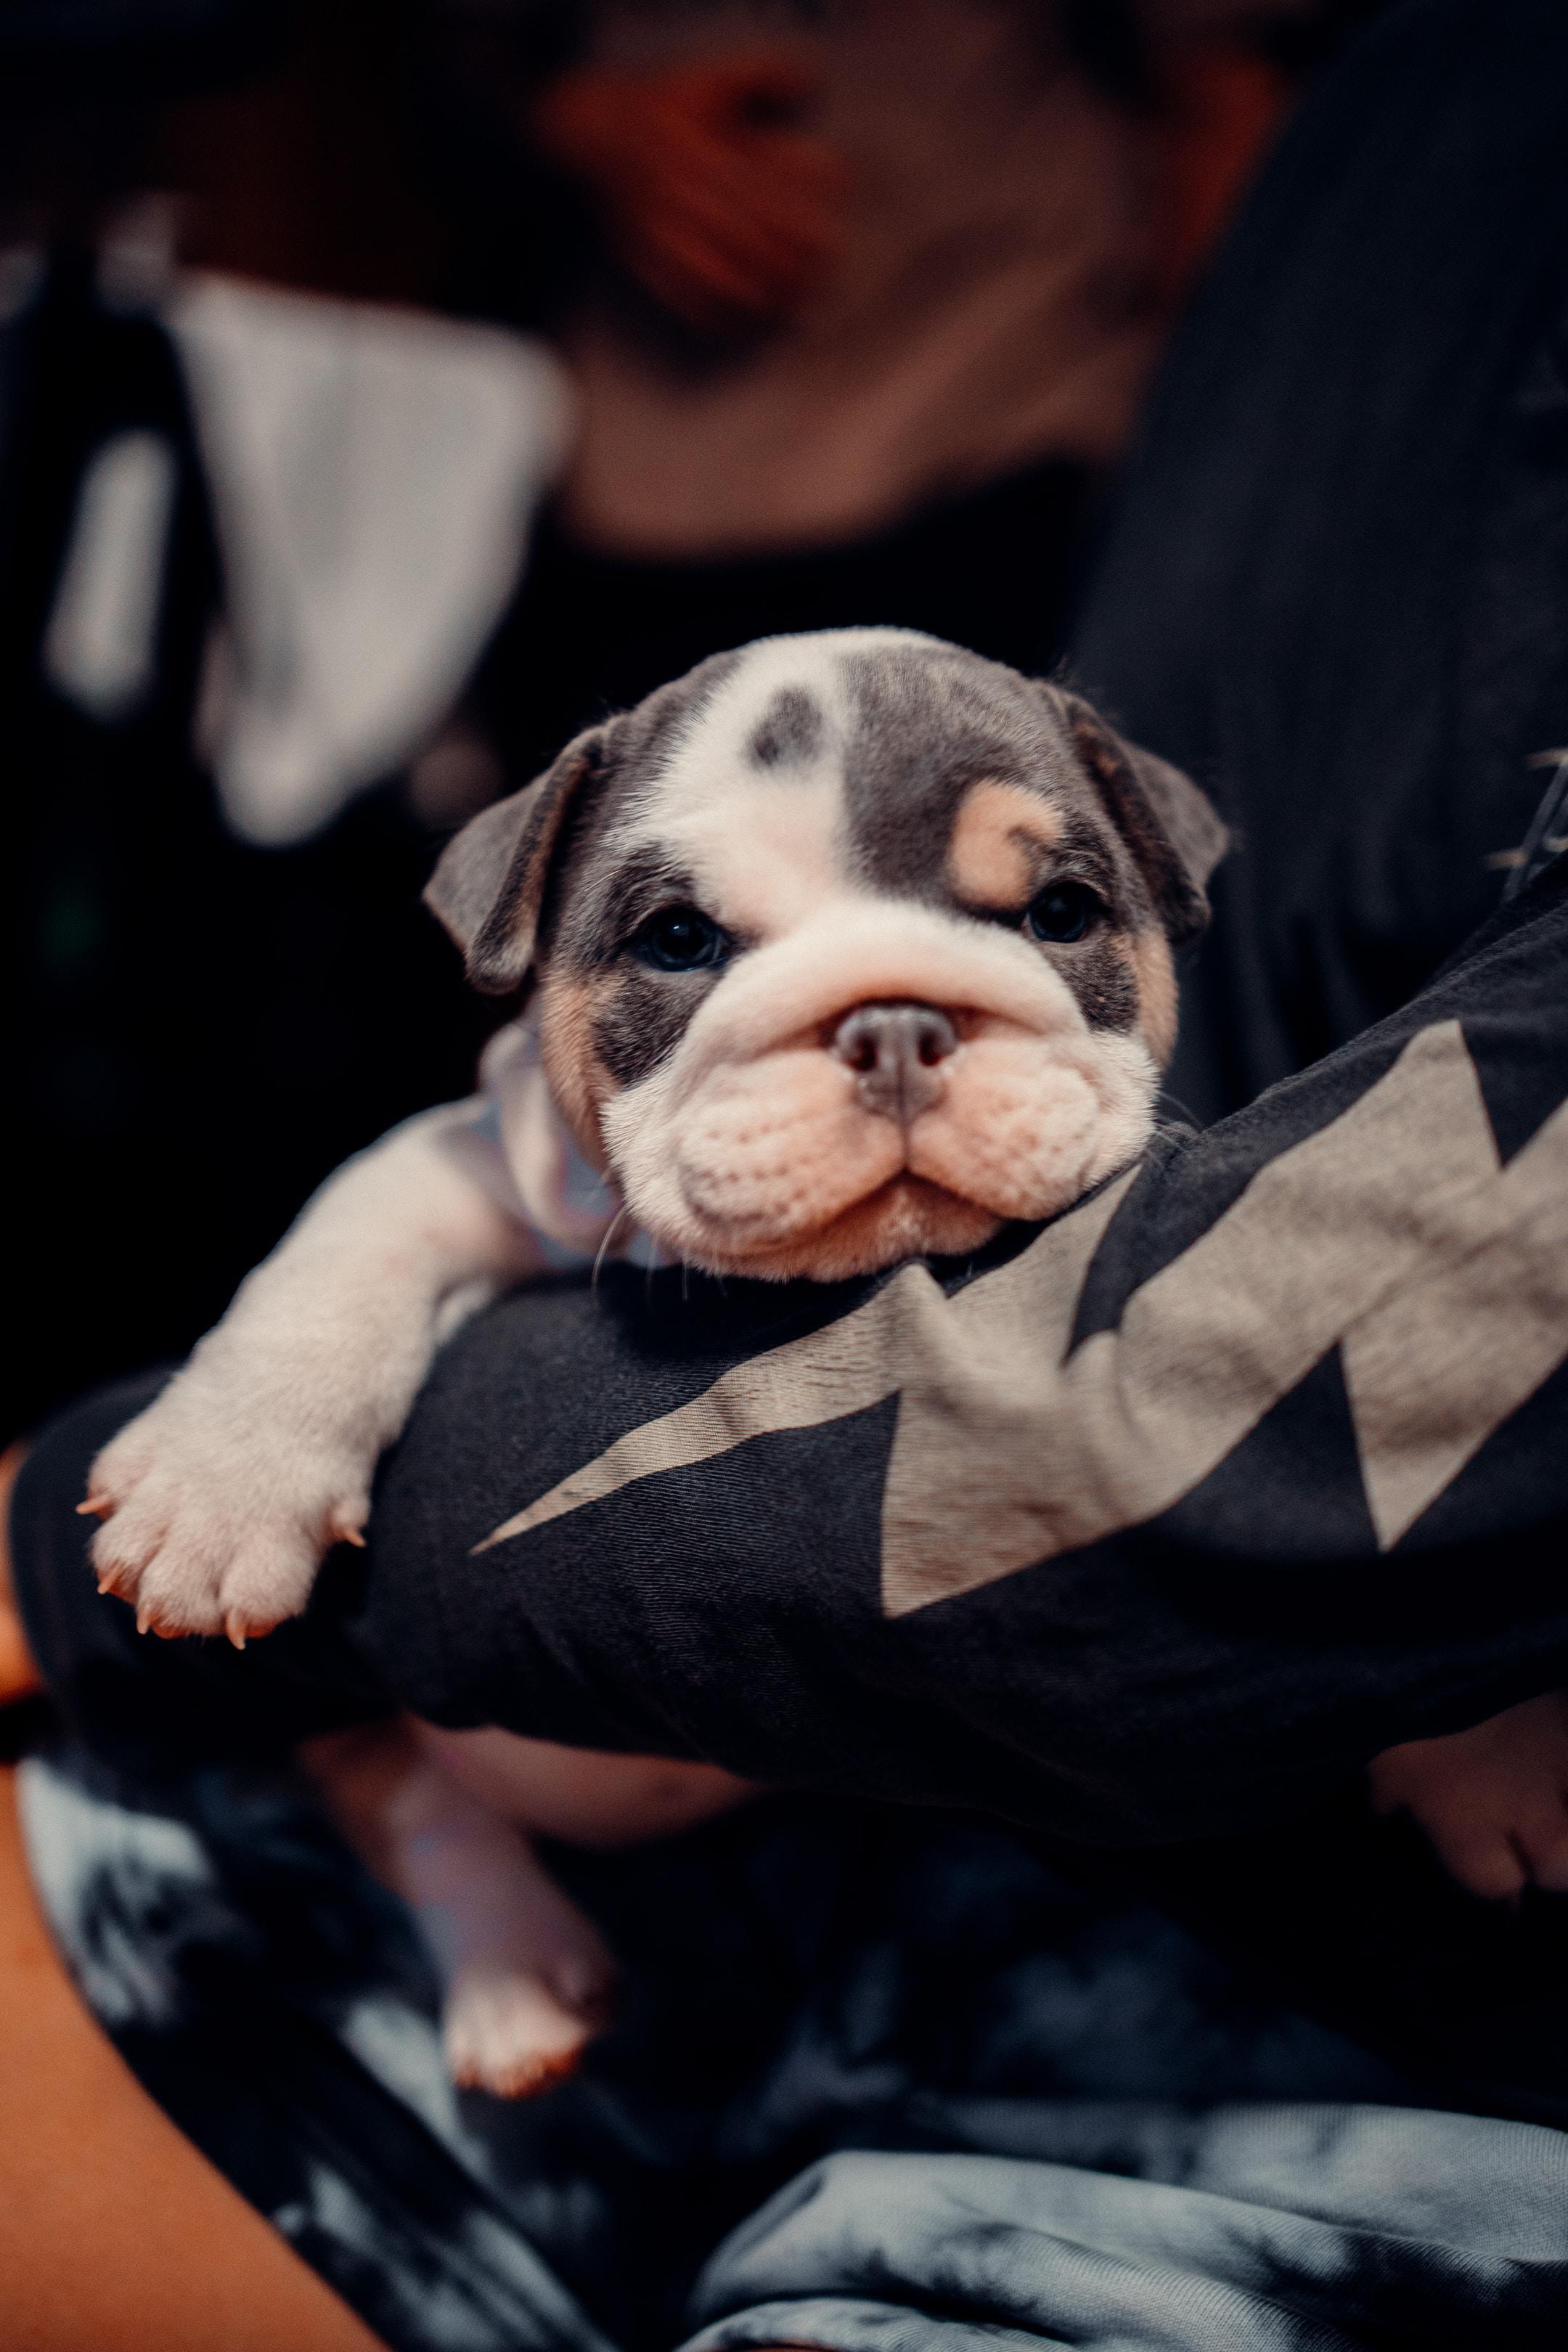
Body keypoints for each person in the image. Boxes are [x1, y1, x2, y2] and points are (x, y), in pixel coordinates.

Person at [9, 1, 1568, 2345]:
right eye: (684, 940)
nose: (886, 1037)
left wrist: (1451, 1693)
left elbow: (1389, 1357)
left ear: (1153, 888)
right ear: (526, 934)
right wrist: (243, 1427)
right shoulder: (1412, 172)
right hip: (650, 1779)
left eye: (1036, 913)